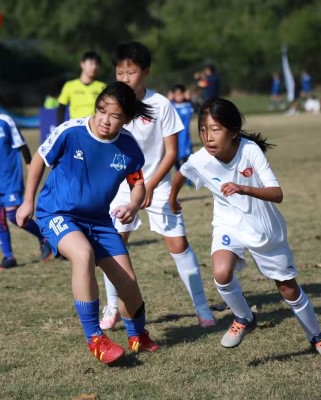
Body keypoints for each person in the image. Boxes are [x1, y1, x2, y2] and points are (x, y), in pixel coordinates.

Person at [168, 98, 321, 358]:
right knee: (221, 273)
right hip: (228, 223)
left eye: (215, 129)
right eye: (203, 129)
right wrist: (173, 199)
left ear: (233, 131)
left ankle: (317, 336)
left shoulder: (249, 151)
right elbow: (182, 172)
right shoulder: (200, 159)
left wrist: (243, 187)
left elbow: (277, 193)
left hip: (263, 228)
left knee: (287, 288)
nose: (208, 137)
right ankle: (244, 317)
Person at [16, 82, 160, 365]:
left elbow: (138, 183)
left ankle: (138, 336)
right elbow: (38, 160)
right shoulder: (72, 131)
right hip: (57, 213)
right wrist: (28, 201)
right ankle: (95, 338)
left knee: (127, 282)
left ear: (127, 119)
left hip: (99, 220)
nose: (105, 119)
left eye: (115, 115)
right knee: (83, 254)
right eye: (101, 111)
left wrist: (133, 204)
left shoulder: (129, 147)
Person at [100, 42, 215, 330]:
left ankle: (202, 309)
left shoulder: (161, 104)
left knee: (179, 245)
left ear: (146, 72)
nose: (125, 77)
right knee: (114, 247)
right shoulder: (111, 105)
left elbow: (172, 152)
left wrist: (150, 185)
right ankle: (112, 307)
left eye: (132, 71)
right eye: (120, 72)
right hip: (120, 187)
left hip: (158, 184)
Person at [0, 86, 51, 271]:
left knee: (14, 216)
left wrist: (30, 168)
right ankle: (8, 257)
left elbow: (22, 146)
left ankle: (44, 238)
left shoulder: (5, 121)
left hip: (11, 180)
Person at [57, 51, 106, 124]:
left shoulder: (102, 86)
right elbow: (61, 108)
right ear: (82, 64)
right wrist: (60, 126)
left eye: (96, 64)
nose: (94, 67)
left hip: (95, 127)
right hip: (75, 125)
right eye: (91, 63)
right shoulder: (69, 86)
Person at [170, 84, 193, 170]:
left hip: (185, 137)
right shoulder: (171, 106)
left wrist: (190, 99)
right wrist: (169, 99)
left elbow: (197, 109)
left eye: (180, 94)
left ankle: (189, 179)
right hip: (175, 137)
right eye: (176, 94)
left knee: (187, 158)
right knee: (175, 157)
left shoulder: (188, 106)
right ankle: (179, 174)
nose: (179, 97)